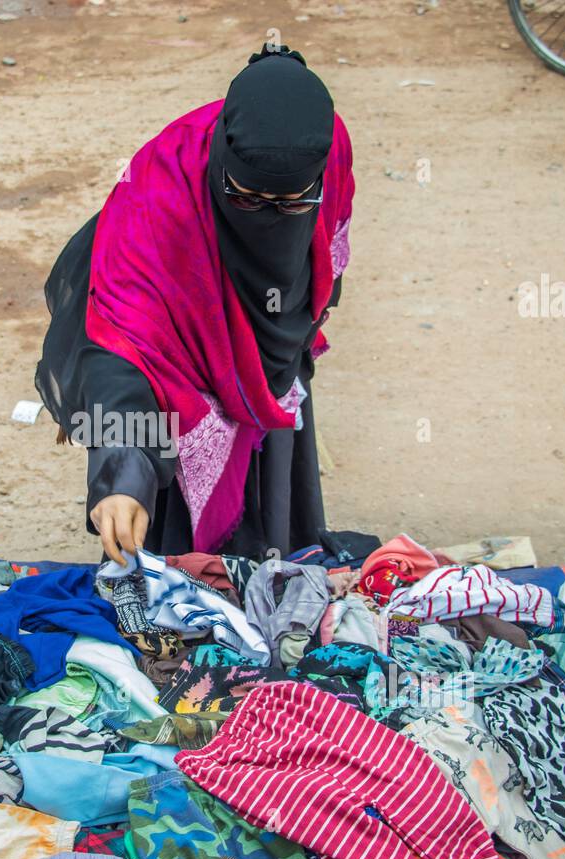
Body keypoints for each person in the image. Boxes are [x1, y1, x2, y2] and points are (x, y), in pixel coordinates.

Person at [35, 45, 355, 565]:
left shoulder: (331, 149)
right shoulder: (160, 198)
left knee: (274, 549)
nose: (270, 219)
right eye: (246, 198)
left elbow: (325, 247)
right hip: (181, 386)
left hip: (273, 351)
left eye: (293, 204)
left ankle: (269, 563)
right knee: (184, 591)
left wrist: (292, 326)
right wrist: (122, 474)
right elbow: (121, 351)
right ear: (221, 165)